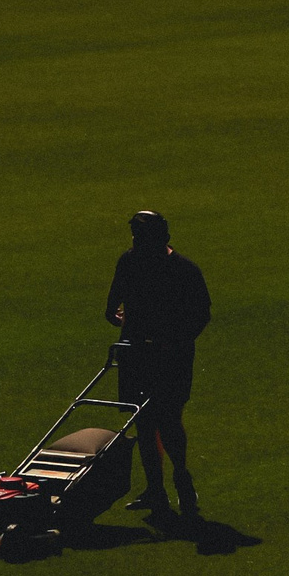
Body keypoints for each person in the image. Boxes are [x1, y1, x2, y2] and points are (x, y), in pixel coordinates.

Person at [104, 210, 210, 521]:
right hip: (136, 352)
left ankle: (181, 478)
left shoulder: (183, 270)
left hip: (171, 357)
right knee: (144, 422)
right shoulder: (130, 261)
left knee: (168, 419)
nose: (137, 242)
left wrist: (175, 341)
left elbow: (201, 314)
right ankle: (155, 489)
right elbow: (113, 303)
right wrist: (116, 315)